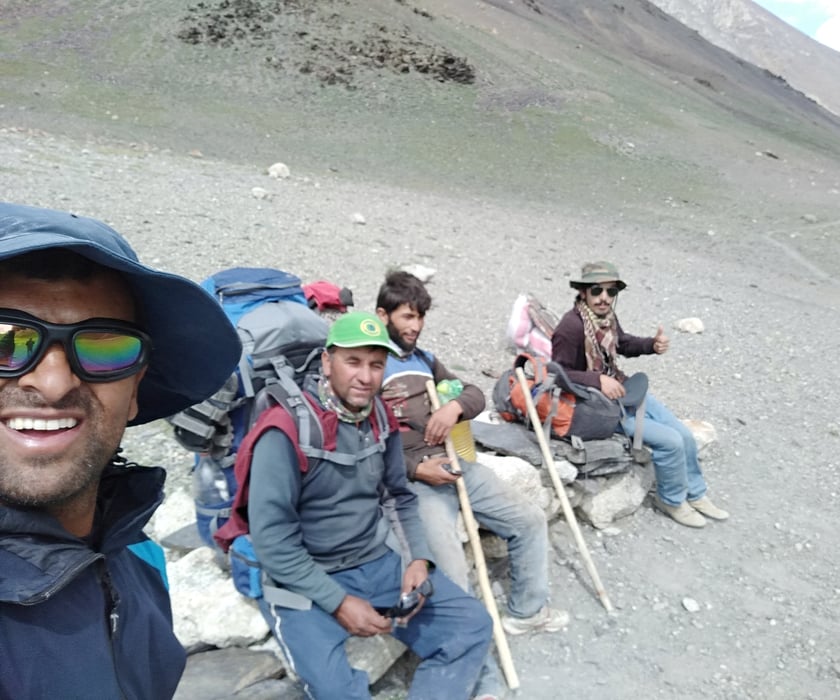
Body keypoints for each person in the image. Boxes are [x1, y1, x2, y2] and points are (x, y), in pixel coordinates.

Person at [0, 202, 242, 698]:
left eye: (104, 347)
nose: (52, 382)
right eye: (5, 340)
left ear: (135, 389)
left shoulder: (141, 557)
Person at [243, 310, 492, 700]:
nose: (366, 376)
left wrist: (417, 559)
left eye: (377, 365)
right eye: (353, 361)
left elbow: (398, 496)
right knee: (334, 692)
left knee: (472, 625)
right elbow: (272, 541)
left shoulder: (379, 417)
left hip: (374, 561)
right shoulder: (286, 428)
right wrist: (338, 602)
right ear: (327, 361)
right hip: (304, 577)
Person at [377, 271, 569, 700]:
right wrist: (414, 468)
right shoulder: (373, 365)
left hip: (458, 463)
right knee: (452, 575)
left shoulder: (424, 360)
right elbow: (367, 443)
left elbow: (475, 393)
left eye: (420, 316)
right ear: (382, 315)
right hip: (416, 483)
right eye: (407, 316)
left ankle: (526, 611)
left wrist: (454, 408)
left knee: (529, 518)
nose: (415, 326)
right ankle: (479, 681)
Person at [551, 261, 729, 529]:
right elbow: (558, 373)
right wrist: (596, 379)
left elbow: (622, 342)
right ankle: (670, 500)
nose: (604, 298)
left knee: (683, 434)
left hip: (623, 390)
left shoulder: (605, 318)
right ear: (584, 291)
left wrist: (651, 345)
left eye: (611, 292)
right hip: (599, 405)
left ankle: (695, 493)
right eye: (597, 290)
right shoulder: (571, 326)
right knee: (670, 441)